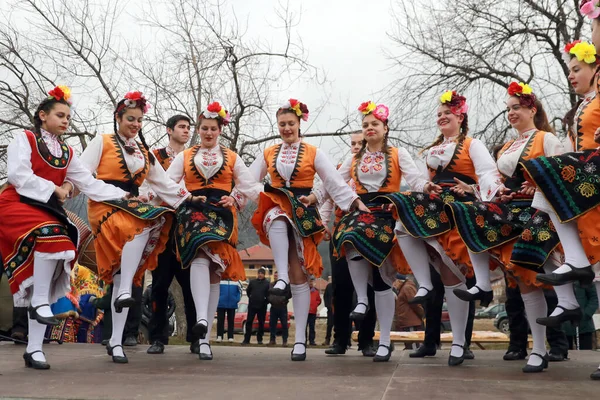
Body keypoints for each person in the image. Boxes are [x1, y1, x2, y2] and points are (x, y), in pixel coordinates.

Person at [0, 85, 128, 369]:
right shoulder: (25, 138)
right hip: (17, 203)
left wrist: (125, 195)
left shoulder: (67, 152)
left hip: (44, 209)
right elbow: (17, 174)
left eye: (68, 117)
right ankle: (42, 302)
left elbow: (90, 183)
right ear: (42, 115)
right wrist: (55, 189)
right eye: (60, 115)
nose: (66, 120)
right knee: (55, 236)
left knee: (60, 250)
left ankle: (34, 349)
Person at [447, 83, 567, 372]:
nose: (511, 113)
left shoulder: (547, 139)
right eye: (509, 108)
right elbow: (497, 183)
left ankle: (556, 322)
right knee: (468, 214)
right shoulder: (506, 146)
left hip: (539, 212)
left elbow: (562, 173)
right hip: (513, 212)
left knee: (541, 273)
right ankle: (485, 286)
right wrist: (482, 189)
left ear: (532, 109)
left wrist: (536, 183)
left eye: (517, 107)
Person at [313, 100, 436, 363]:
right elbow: (332, 181)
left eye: (374, 124)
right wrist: (314, 198)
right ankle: (361, 300)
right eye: (366, 124)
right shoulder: (354, 157)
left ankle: (384, 342)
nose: (370, 128)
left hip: (387, 211)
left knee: (382, 280)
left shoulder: (397, 154)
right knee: (347, 236)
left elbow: (413, 179)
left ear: (385, 128)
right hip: (360, 210)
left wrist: (425, 187)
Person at [385, 90, 501, 366]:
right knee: (402, 223)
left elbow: (488, 173)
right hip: (435, 205)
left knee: (453, 276)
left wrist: (473, 188)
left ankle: (460, 342)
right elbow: (421, 180)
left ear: (460, 116)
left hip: (459, 207)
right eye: (438, 114)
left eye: (447, 113)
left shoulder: (473, 144)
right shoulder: (431, 150)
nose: (441, 117)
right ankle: (424, 283)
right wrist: (425, 187)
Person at [246, 98, 366, 361]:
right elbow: (247, 179)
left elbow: (332, 181)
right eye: (282, 124)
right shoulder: (268, 152)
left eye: (290, 123)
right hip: (278, 203)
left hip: (303, 210)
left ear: (300, 124)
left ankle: (299, 340)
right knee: (277, 216)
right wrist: (252, 195)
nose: (286, 128)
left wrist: (354, 201)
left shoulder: (314, 152)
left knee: (301, 275)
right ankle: (281, 278)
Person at [80, 91, 195, 363]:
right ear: (118, 117)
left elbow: (164, 184)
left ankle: (117, 341)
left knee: (152, 222)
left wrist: (189, 200)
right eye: (130, 119)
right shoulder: (102, 141)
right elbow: (82, 173)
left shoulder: (144, 152)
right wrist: (109, 193)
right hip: (105, 203)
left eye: (140, 120)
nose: (135, 124)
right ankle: (123, 291)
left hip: (132, 205)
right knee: (139, 223)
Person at [165, 101, 261, 360]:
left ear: (220, 130)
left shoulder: (231, 156)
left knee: (215, 271)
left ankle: (205, 336)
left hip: (222, 213)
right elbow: (167, 183)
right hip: (194, 210)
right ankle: (203, 321)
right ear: (199, 129)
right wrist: (185, 195)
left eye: (213, 129)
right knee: (198, 254)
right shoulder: (185, 156)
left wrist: (236, 198)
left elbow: (249, 185)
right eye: (204, 128)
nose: (208, 133)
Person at [321, 132, 378, 357]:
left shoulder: (374, 170)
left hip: (367, 234)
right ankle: (340, 340)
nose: (356, 147)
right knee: (341, 289)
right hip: (341, 234)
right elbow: (327, 198)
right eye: (353, 143)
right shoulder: (340, 170)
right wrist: (324, 223)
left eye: (360, 143)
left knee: (370, 288)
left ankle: (366, 341)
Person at [147, 114, 200, 355]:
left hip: (188, 229)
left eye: (189, 128)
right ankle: (158, 337)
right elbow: (149, 186)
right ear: (169, 130)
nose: (186, 131)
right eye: (181, 127)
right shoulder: (155, 156)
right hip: (162, 229)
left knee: (192, 287)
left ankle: (195, 337)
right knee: (159, 286)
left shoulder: (195, 158)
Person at [409, 265, 476, 359]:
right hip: (438, 255)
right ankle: (430, 343)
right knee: (432, 298)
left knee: (464, 297)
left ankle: (463, 345)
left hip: (463, 256)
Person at [562, 282, 598, 350]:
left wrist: (585, 314)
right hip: (564, 324)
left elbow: (593, 299)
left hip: (584, 325)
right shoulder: (559, 278)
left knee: (586, 354)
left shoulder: (585, 278)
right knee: (565, 354)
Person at [393, 275, 424, 349]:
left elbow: (415, 303)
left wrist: (422, 314)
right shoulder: (402, 288)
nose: (393, 285)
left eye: (395, 282)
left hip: (411, 322)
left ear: (399, 281)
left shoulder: (407, 288)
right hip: (406, 321)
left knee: (413, 346)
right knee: (409, 345)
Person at [242, 267, 270, 345]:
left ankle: (259, 339)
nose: (260, 275)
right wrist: (251, 298)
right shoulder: (253, 282)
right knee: (249, 322)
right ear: (257, 274)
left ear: (264, 275)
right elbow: (248, 291)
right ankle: (246, 339)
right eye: (259, 273)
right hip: (252, 305)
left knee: (261, 323)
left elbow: (269, 295)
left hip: (262, 306)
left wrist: (265, 302)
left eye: (262, 273)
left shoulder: (267, 283)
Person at [268, 271, 290, 346]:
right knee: (272, 324)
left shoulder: (285, 285)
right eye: (275, 275)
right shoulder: (271, 285)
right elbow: (268, 293)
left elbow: (289, 294)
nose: (276, 276)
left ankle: (284, 341)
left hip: (282, 307)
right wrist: (270, 299)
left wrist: (284, 299)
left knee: (284, 325)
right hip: (273, 307)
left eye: (277, 275)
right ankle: (272, 340)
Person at [307, 277, 321, 346]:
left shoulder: (316, 292)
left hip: (313, 312)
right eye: (309, 282)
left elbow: (319, 301)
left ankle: (312, 340)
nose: (310, 283)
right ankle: (303, 340)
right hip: (305, 313)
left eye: (311, 282)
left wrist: (315, 305)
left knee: (312, 327)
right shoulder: (305, 291)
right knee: (304, 327)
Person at [322, 275, 333, 346]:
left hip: (339, 309)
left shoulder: (340, 286)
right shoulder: (329, 286)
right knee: (329, 325)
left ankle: (338, 340)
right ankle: (327, 339)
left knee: (340, 326)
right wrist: (328, 306)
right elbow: (325, 296)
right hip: (331, 309)